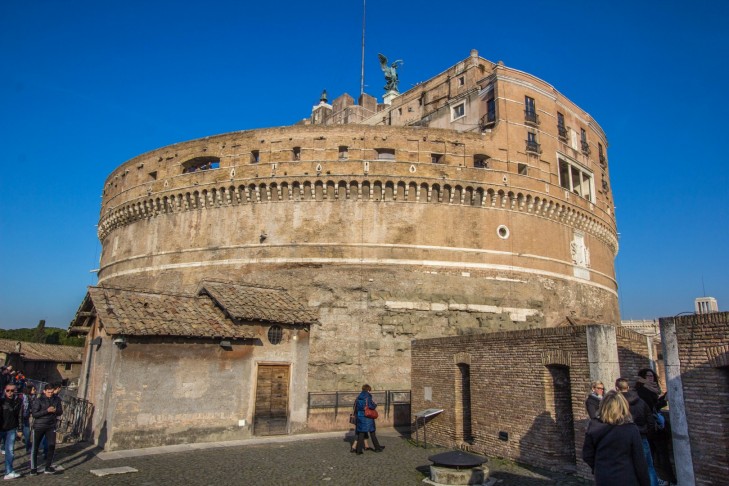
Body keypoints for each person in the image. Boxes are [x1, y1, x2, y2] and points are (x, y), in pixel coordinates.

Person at [582, 390, 650, 486]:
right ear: (623, 407)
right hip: (626, 477)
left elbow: (587, 455)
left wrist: (599, 468)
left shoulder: (594, 426)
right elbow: (639, 461)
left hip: (604, 477)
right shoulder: (630, 429)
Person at [617, 378, 659, 486]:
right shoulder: (641, 401)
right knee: (649, 466)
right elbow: (650, 420)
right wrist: (646, 433)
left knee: (628, 467)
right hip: (642, 436)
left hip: (625, 439)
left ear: (617, 388)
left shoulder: (617, 404)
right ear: (628, 387)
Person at [30, 384, 62, 475]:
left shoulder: (57, 399)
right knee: (35, 447)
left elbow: (60, 412)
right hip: (39, 426)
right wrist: (47, 411)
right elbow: (35, 414)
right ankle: (33, 468)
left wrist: (55, 410)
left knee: (52, 445)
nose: (50, 394)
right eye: (48, 392)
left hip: (51, 426)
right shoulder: (39, 400)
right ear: (44, 391)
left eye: (52, 392)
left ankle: (48, 467)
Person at [0, 384, 24, 479]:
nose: (10, 392)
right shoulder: (1, 401)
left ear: (15, 391)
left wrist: (20, 429)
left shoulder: (18, 401)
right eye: (8, 390)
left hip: (11, 429)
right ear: (5, 391)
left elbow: (20, 416)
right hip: (1, 428)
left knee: (10, 451)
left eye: (12, 390)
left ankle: (9, 471)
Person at [354, 384, 384, 455]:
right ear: (368, 390)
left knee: (361, 433)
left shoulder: (359, 396)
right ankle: (377, 448)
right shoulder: (368, 396)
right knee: (372, 432)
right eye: (369, 390)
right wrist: (375, 404)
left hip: (360, 416)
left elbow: (357, 407)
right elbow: (371, 406)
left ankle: (358, 450)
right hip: (367, 417)